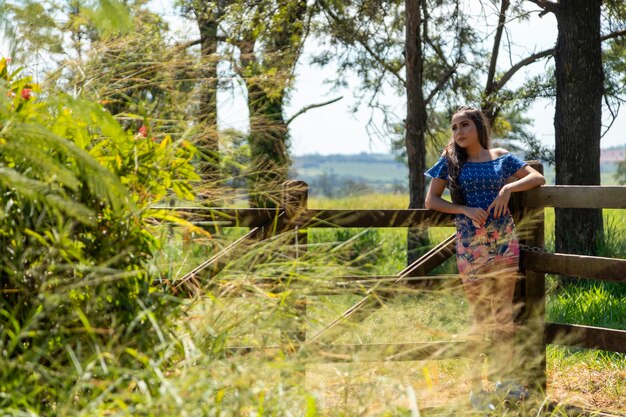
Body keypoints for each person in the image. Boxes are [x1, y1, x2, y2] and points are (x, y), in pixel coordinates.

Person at [424, 106, 546, 411]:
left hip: (505, 245)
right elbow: (431, 200)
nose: (459, 132)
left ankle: (507, 383)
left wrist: (508, 187)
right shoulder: (450, 162)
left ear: (478, 126)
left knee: (504, 317)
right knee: (480, 319)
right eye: (454, 127)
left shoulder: (502, 158)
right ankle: (476, 390)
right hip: (471, 246)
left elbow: (536, 178)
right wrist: (463, 209)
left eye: (464, 125)